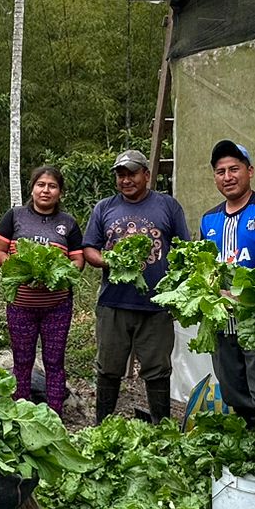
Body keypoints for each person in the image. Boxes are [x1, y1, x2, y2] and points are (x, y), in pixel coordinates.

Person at [82, 149, 189, 423]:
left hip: (157, 304)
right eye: (121, 175)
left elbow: (183, 248)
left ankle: (161, 428)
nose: (126, 180)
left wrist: (177, 289)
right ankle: (103, 426)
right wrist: (109, 261)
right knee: (108, 367)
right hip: (113, 302)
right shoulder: (104, 207)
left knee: (157, 369)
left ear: (146, 175)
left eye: (132, 174)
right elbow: (89, 248)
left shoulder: (168, 206)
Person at [198, 140, 255, 429]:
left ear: (250, 171)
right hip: (222, 324)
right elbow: (203, 266)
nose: (227, 177)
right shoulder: (209, 219)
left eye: (234, 169)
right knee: (233, 393)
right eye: (220, 171)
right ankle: (249, 445)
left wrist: (250, 295)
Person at [0, 165, 84, 413]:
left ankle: (54, 414)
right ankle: (21, 412)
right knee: (22, 361)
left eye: (52, 186)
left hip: (57, 307)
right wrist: (19, 270)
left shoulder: (68, 223)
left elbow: (78, 260)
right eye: (41, 185)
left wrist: (58, 276)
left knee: (54, 361)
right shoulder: (15, 216)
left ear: (60, 192)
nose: (46, 190)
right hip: (21, 306)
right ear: (32, 188)